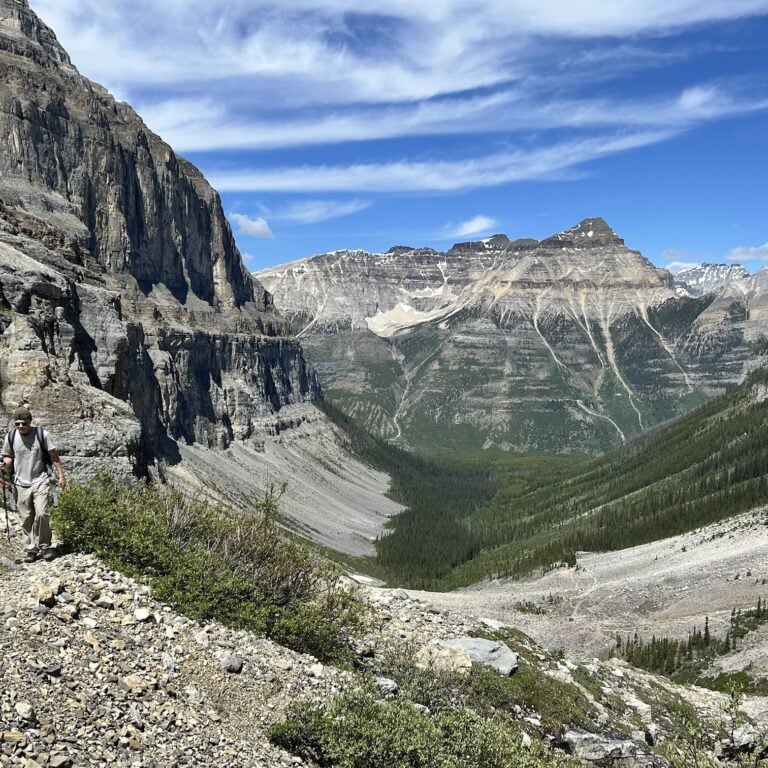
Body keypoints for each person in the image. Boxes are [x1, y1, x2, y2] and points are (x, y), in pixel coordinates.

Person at [1, 406, 66, 562]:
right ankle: (31, 549)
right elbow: (9, 456)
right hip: (20, 483)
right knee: (25, 517)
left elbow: (54, 457)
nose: (21, 426)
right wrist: (4, 464)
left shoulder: (42, 435)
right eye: (18, 423)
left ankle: (45, 546)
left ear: (30, 421)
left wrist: (62, 477)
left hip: (40, 479)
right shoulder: (11, 437)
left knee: (42, 513)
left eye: (24, 423)